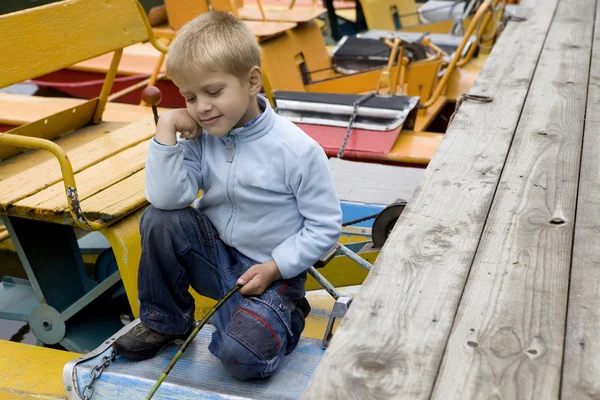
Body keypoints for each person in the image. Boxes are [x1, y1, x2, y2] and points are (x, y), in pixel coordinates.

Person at [113, 10, 342, 379]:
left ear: (252, 81)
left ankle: (284, 316)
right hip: (215, 254)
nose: (201, 107)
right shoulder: (203, 137)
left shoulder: (297, 150)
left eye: (213, 92)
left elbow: (325, 227)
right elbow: (166, 199)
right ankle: (167, 320)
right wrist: (167, 127)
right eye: (189, 97)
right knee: (159, 220)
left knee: (241, 358)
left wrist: (275, 268)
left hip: (271, 273)